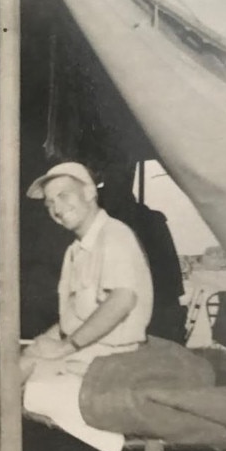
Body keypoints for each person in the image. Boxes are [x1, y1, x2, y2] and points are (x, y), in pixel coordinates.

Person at [23, 161, 153, 377]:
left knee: (16, 378)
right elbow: (75, 315)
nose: (57, 209)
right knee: (22, 359)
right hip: (89, 351)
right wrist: (48, 339)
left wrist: (65, 347)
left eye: (64, 196)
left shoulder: (114, 235)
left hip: (113, 358)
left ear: (90, 192)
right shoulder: (76, 250)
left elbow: (122, 300)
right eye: (50, 203)